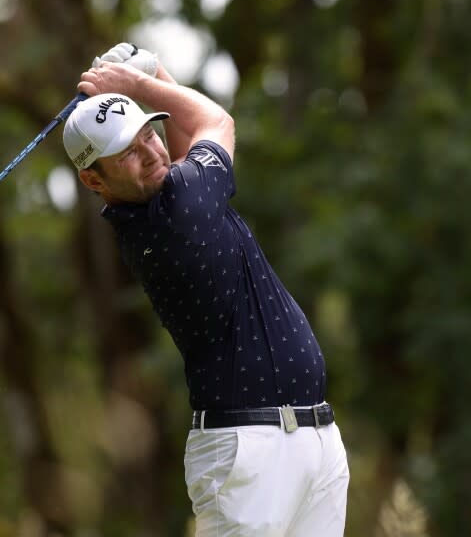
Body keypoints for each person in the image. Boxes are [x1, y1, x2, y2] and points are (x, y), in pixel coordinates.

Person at [63, 42, 349, 536]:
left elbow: (181, 134)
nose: (149, 153)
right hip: (246, 454)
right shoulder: (175, 216)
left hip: (311, 440)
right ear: (94, 180)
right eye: (125, 154)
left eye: (147, 135)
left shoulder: (171, 197)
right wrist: (139, 80)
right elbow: (214, 124)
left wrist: (149, 70)